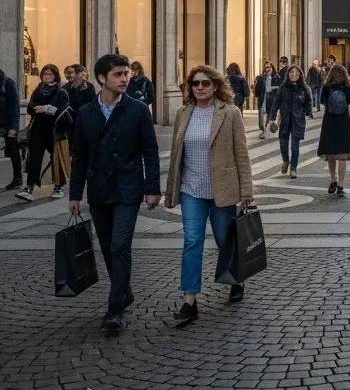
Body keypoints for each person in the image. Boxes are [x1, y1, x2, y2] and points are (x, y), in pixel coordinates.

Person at [69, 53, 161, 334]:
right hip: (99, 189)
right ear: (101, 79)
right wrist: (75, 194)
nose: (124, 79)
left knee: (120, 244)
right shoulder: (85, 113)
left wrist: (152, 188)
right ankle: (124, 291)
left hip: (127, 188)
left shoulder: (137, 110)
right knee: (109, 246)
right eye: (118, 75)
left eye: (126, 74)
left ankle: (115, 308)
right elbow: (79, 157)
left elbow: (150, 150)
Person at [164, 65, 254, 323]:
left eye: (205, 83)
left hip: (221, 189)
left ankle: (236, 279)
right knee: (192, 242)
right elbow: (176, 154)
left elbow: (242, 153)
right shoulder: (183, 113)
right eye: (195, 83)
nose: (200, 87)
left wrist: (246, 189)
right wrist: (171, 189)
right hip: (191, 189)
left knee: (225, 240)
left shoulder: (230, 113)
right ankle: (189, 300)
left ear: (215, 86)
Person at [16, 64, 70, 201]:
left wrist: (48, 109)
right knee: (34, 158)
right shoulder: (38, 90)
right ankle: (29, 187)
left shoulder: (61, 91)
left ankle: (58, 186)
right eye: (45, 74)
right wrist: (37, 108)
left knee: (56, 159)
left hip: (55, 131)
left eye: (50, 74)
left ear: (55, 76)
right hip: (38, 129)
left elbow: (63, 110)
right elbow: (30, 107)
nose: (47, 76)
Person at [269, 64, 313, 179]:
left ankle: (293, 168)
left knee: (295, 145)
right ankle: (285, 161)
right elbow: (276, 102)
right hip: (285, 119)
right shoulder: (283, 87)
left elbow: (309, 101)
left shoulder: (304, 87)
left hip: (298, 120)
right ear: (288, 74)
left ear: (300, 75)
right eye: (291, 73)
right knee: (283, 143)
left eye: (297, 73)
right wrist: (272, 116)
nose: (294, 75)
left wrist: (307, 112)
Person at [317, 64, 350, 196]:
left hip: (330, 122)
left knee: (331, 154)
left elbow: (322, 102)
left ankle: (333, 180)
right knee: (342, 156)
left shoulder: (327, 88)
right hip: (343, 123)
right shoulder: (349, 88)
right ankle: (341, 185)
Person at [1, 67, 21, 192]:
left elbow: (15, 107)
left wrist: (13, 127)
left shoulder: (8, 83)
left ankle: (17, 178)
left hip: (8, 124)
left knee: (13, 151)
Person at [254, 62, 279, 139]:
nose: (268, 69)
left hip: (272, 99)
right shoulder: (261, 78)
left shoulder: (276, 77)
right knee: (261, 118)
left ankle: (265, 131)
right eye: (266, 67)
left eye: (269, 67)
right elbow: (257, 90)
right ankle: (264, 128)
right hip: (263, 99)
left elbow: (279, 89)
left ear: (272, 68)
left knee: (269, 115)